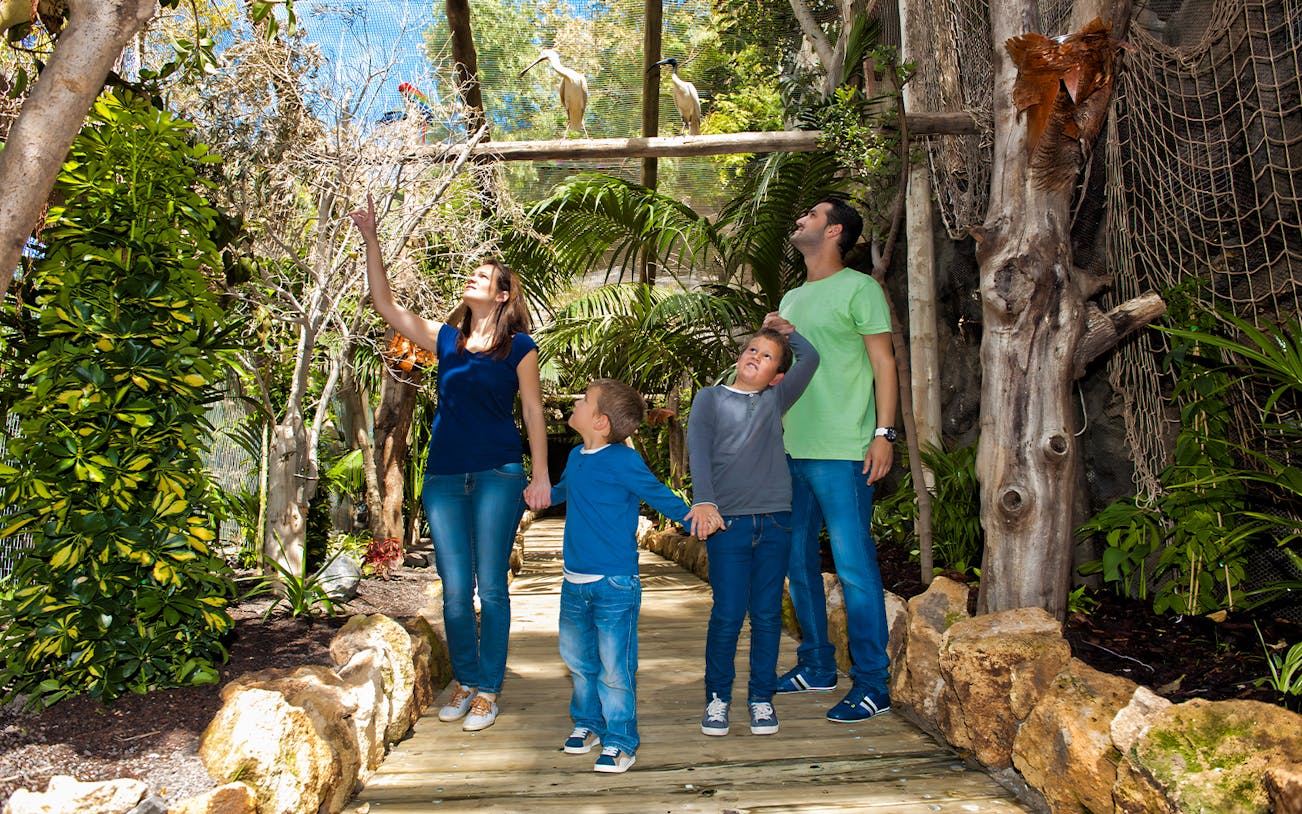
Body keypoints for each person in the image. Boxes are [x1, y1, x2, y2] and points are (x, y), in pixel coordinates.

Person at [349, 195, 551, 733]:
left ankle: (489, 688)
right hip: (443, 476)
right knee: (455, 586)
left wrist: (541, 474)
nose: (472, 278)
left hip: (498, 474)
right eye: (473, 273)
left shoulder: (520, 346)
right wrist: (372, 239)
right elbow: (386, 306)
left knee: (492, 584)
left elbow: (531, 410)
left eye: (483, 276)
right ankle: (465, 678)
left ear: (503, 293)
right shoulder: (446, 339)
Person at [774, 197, 899, 723]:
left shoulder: (861, 288)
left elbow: (884, 363)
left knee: (854, 568)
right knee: (796, 562)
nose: (799, 217)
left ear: (834, 231)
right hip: (788, 450)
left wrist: (884, 434)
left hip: (845, 451)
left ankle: (873, 684)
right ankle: (817, 665)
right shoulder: (792, 297)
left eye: (812, 214)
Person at [550, 379, 716, 773]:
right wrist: (533, 492)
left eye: (584, 398)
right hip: (573, 583)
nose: (576, 400)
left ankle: (621, 739)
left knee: (614, 667)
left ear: (601, 421)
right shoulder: (576, 456)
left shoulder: (623, 460)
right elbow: (561, 491)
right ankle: (588, 723)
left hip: (613, 584)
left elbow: (657, 494)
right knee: (577, 659)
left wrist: (696, 518)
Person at [687, 326, 819, 738]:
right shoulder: (709, 397)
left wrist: (789, 332)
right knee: (727, 614)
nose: (756, 357)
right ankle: (718, 698)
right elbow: (699, 448)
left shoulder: (774, 399)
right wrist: (705, 500)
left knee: (765, 616)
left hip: (777, 519)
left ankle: (761, 698)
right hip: (729, 522)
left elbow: (810, 359)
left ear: (776, 376)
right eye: (752, 349)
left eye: (767, 357)